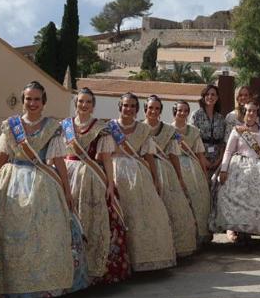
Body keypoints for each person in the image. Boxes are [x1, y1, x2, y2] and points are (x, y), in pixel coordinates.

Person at [0, 81, 88, 298]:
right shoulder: (10, 126)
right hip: (11, 182)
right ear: (23, 101)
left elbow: (58, 161)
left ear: (43, 103)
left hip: (44, 183)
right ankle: (12, 288)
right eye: (28, 99)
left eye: (36, 99)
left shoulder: (53, 127)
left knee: (45, 234)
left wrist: (66, 190)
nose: (32, 103)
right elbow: (2, 157)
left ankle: (46, 285)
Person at [62, 88, 130, 285]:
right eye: (81, 101)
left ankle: (94, 269)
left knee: (94, 221)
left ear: (93, 106)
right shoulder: (64, 126)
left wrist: (110, 183)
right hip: (67, 173)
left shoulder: (101, 128)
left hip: (92, 177)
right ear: (76, 103)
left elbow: (107, 159)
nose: (84, 105)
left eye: (88, 102)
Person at [109, 93, 177, 272]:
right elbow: (104, 154)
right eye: (125, 105)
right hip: (114, 171)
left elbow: (148, 155)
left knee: (142, 214)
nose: (128, 109)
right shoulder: (110, 127)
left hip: (138, 174)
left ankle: (143, 258)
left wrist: (155, 178)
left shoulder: (142, 130)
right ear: (120, 107)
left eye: (132, 106)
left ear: (137, 109)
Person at [215, 100, 260, 242]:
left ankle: (255, 228)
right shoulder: (237, 130)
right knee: (238, 198)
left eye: (253, 111)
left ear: (257, 112)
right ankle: (239, 230)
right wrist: (224, 169)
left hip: (259, 168)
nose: (250, 113)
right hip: (239, 168)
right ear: (244, 113)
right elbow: (228, 151)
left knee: (258, 199)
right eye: (248, 111)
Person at [145, 94, 199, 258]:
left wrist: (180, 178)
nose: (153, 111)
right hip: (144, 169)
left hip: (166, 171)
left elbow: (173, 155)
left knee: (176, 207)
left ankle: (176, 247)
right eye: (150, 108)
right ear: (145, 110)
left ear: (161, 111)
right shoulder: (139, 128)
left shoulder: (168, 130)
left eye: (157, 108)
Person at [174, 101, 213, 244]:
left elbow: (200, 153)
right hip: (175, 165)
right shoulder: (168, 130)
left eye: (185, 110)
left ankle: (200, 235)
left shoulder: (194, 131)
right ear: (175, 111)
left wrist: (204, 173)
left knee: (199, 199)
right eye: (179, 110)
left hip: (193, 167)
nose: (182, 113)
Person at [191, 83, 227, 180]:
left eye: (213, 94)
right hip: (200, 159)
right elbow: (193, 140)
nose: (210, 97)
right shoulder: (196, 115)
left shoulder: (221, 118)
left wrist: (219, 160)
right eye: (207, 94)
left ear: (217, 97)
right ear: (203, 97)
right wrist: (203, 160)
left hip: (217, 161)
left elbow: (223, 142)